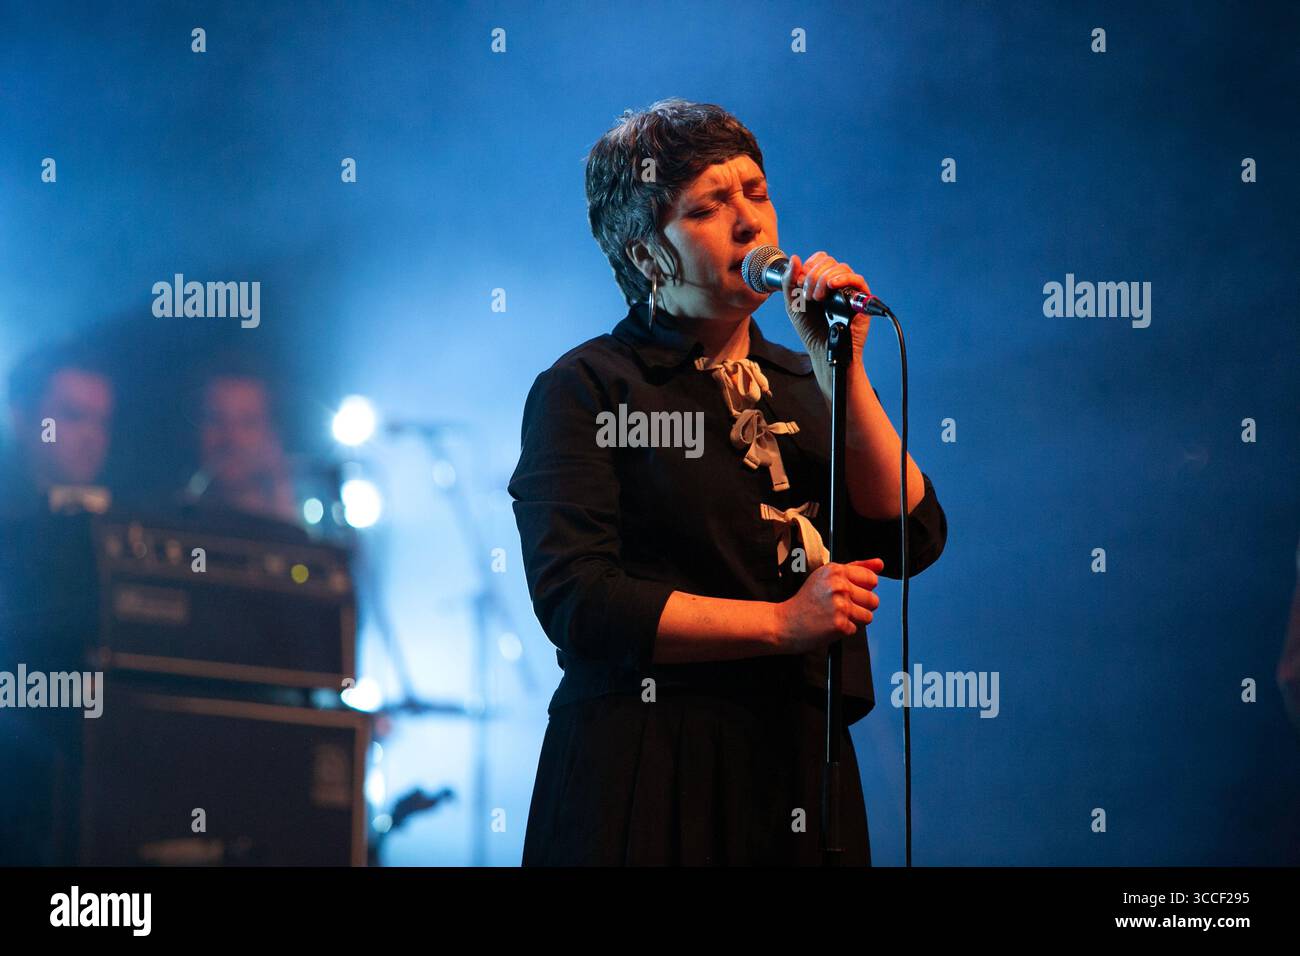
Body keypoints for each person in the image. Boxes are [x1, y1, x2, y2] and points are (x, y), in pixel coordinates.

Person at [508, 99, 948, 866]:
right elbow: (580, 599)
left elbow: (911, 535)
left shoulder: (805, 377)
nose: (750, 223)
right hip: (649, 761)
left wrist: (843, 374)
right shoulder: (591, 388)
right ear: (647, 257)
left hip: (799, 763)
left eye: (757, 192)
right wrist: (781, 625)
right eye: (710, 206)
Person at [0, 341, 115, 519]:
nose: (92, 435)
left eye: (102, 422)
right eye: (73, 415)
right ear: (21, 418)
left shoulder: (129, 519)